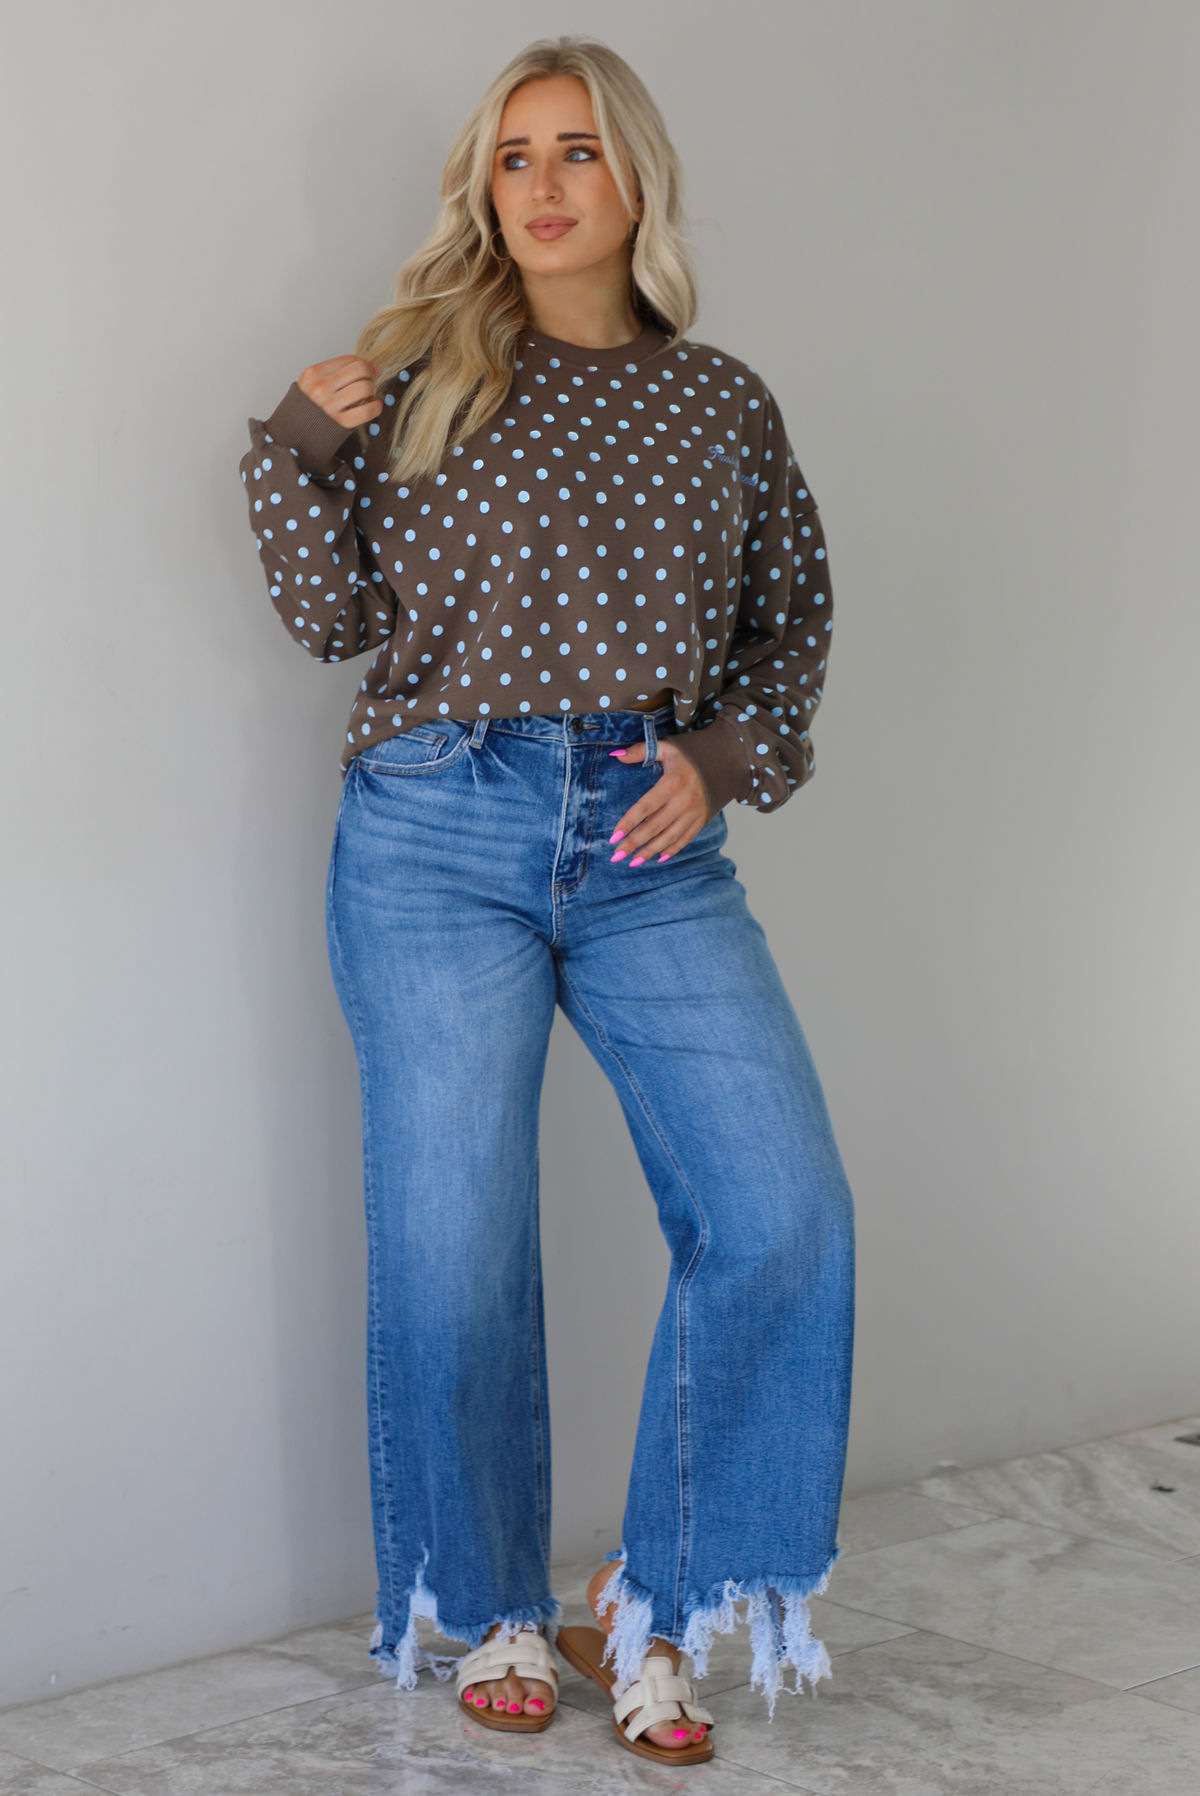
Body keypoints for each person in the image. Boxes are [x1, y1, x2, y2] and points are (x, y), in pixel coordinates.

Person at [240, 34, 854, 1768]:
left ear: (634, 178)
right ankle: (499, 1602)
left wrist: (724, 761)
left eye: (577, 150)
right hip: (438, 826)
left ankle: (654, 1605)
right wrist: (291, 450)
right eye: (514, 157)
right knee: (456, 1239)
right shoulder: (426, 362)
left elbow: (790, 623)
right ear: (484, 189)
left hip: (652, 843)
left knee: (783, 1210)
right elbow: (329, 621)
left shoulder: (722, 398)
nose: (543, 184)